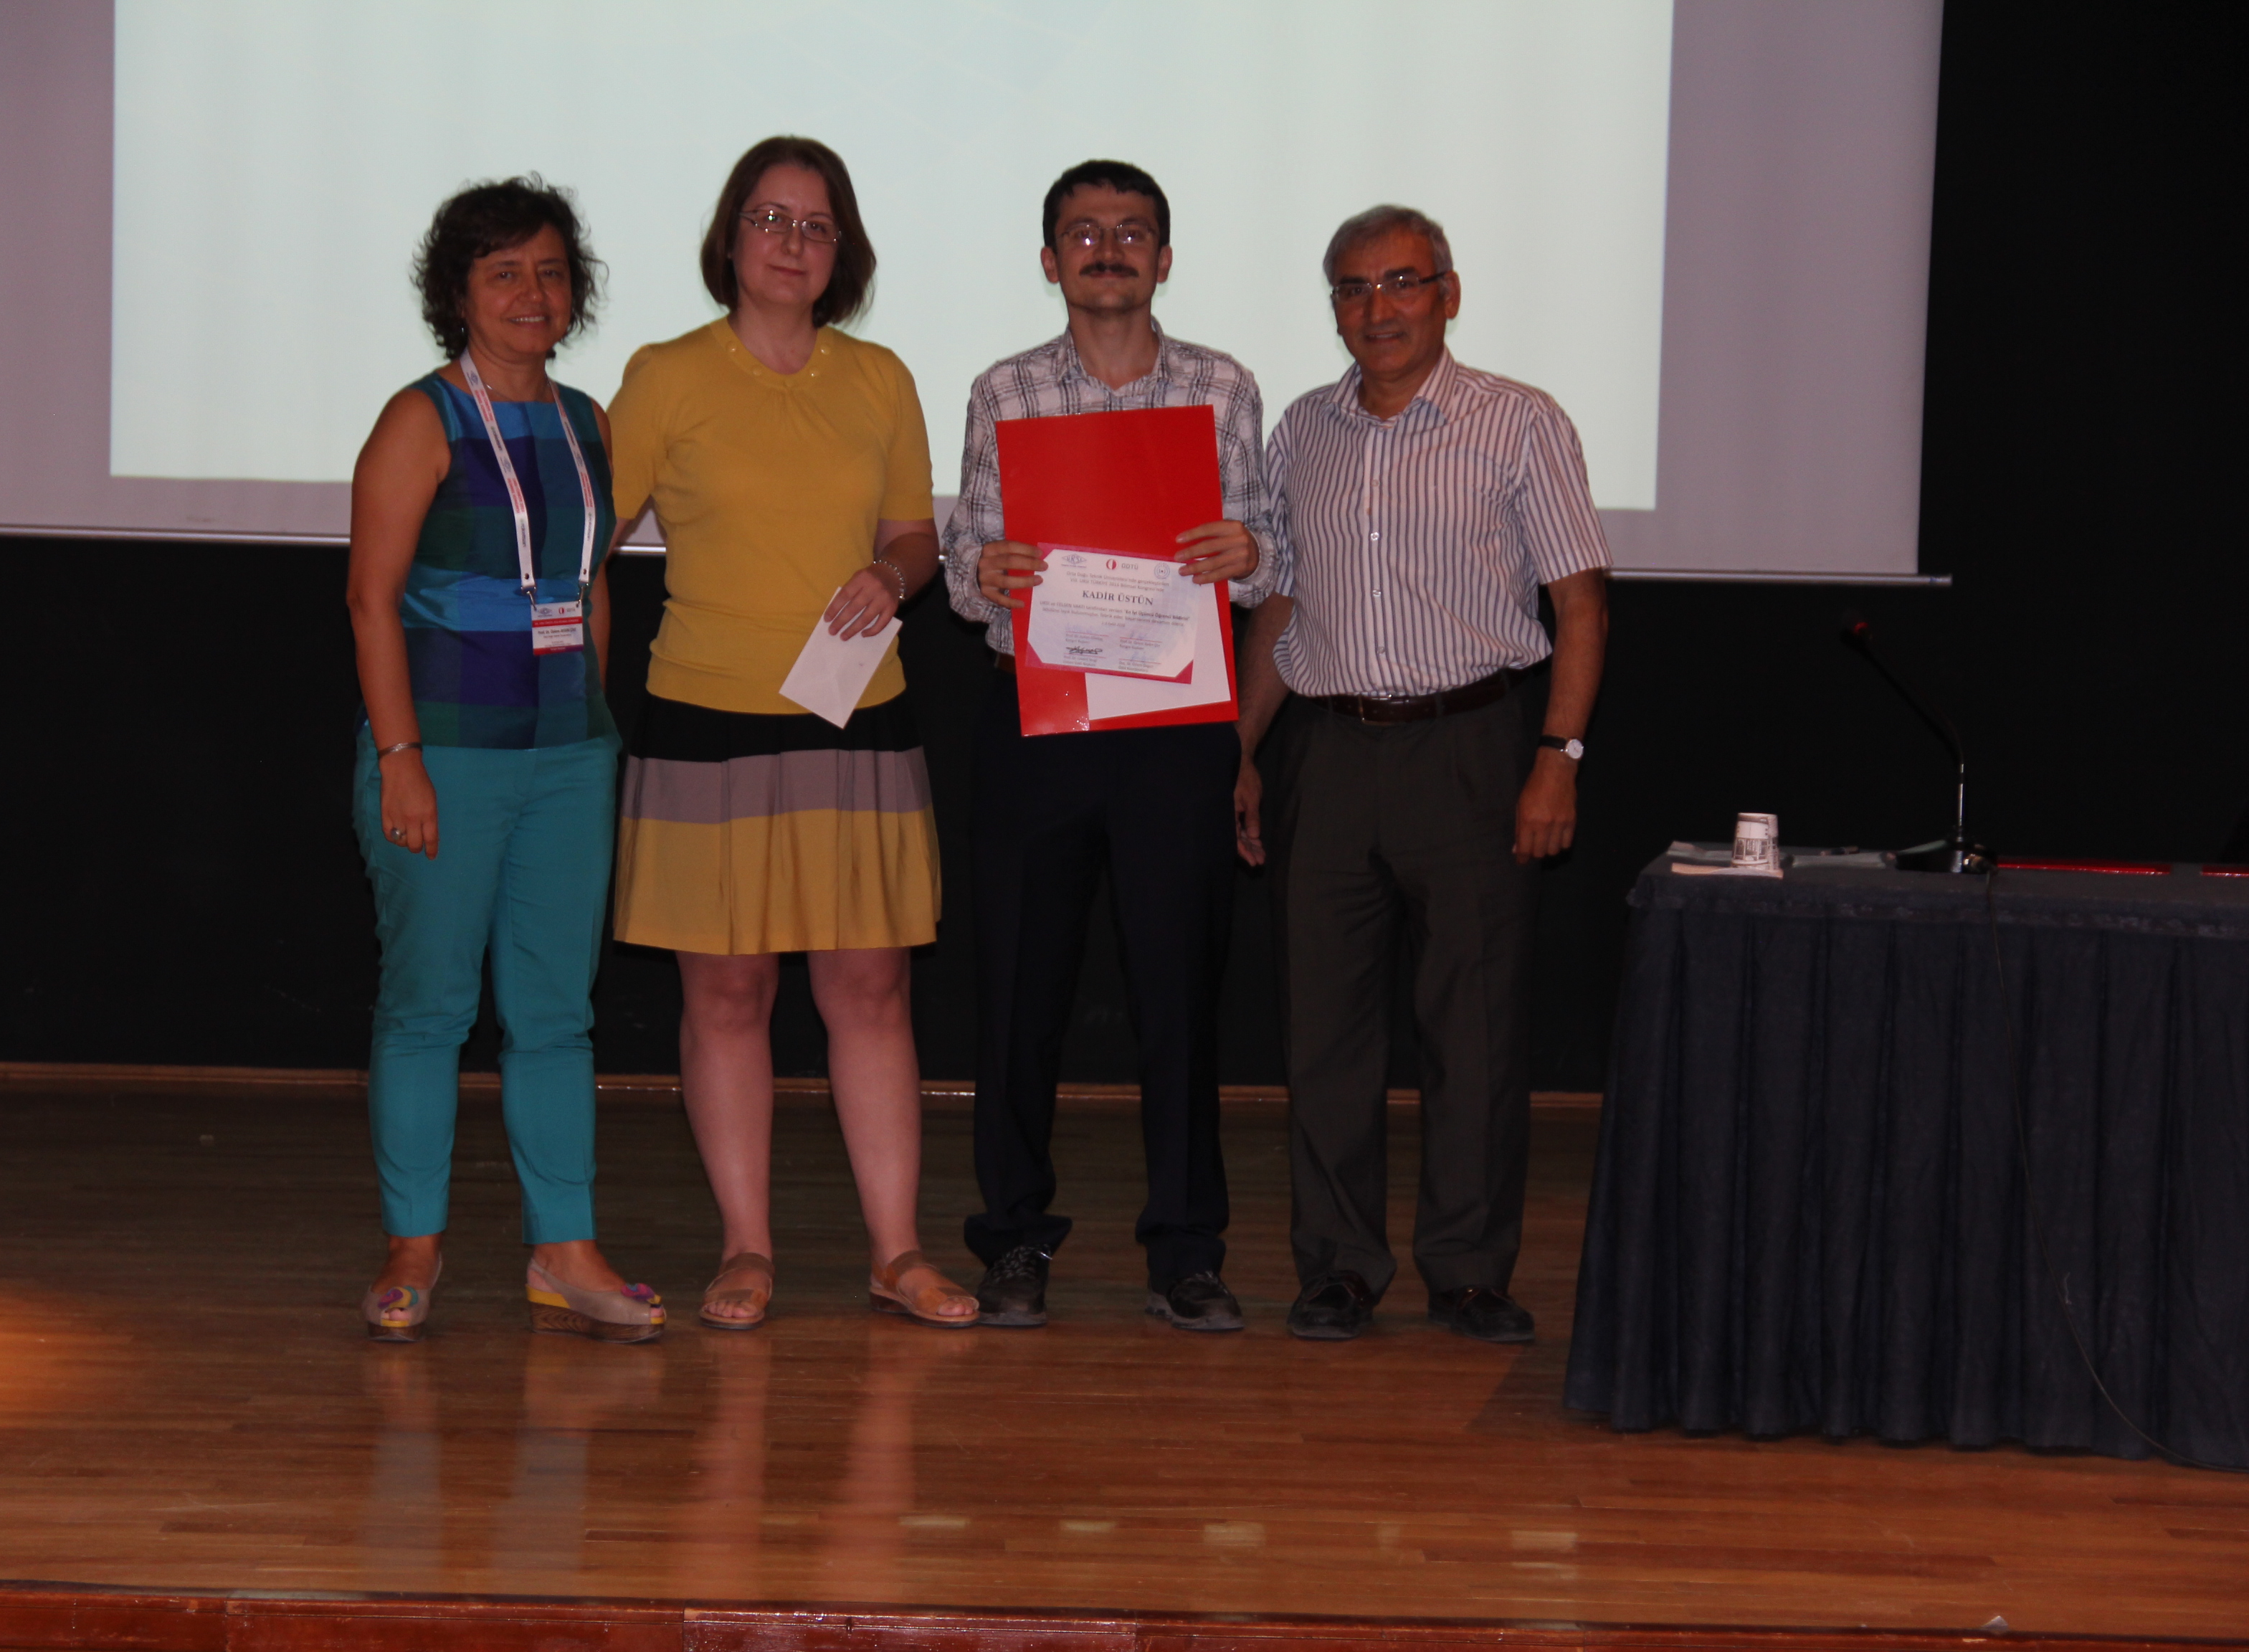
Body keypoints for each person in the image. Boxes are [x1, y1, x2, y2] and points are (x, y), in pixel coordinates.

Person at [607, 136, 974, 1331]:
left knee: (870, 988)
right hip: (703, 719)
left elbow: (915, 536)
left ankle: (896, 1252)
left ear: (842, 252)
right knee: (726, 994)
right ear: (730, 238)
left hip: (854, 714)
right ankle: (746, 1249)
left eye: (816, 225)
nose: (791, 242)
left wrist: (891, 574)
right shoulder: (665, 375)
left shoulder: (880, 379)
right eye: (770, 218)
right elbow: (584, 536)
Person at [1236, 204, 1611, 1344]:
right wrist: (1239, 749)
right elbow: (1283, 602)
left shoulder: (1520, 422)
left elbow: (1580, 604)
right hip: (1328, 751)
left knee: (1476, 1028)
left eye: (1402, 282)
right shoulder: (1302, 430)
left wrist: (1558, 758)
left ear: (1448, 294)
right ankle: (1338, 1268)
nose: (1378, 308)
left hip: (1472, 749)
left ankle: (1469, 1270)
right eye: (1353, 289)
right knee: (1324, 1032)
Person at [942, 160, 1280, 1331]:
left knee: (1179, 994)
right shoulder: (1004, 389)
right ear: (1051, 261)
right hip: (1037, 715)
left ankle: (1186, 1249)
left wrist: (1248, 555)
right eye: (1083, 233)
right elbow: (965, 562)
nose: (1108, 248)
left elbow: (1269, 549)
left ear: (1164, 258)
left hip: (1174, 724)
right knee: (1018, 992)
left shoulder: (1224, 386)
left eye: (1131, 231)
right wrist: (985, 573)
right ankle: (1012, 1238)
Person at [346, 177, 662, 1345]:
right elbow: (370, 602)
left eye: (550, 271)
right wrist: (401, 759)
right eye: (503, 273)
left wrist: (594, 726)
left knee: (555, 1016)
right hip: (443, 754)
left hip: (566, 758)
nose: (533, 293)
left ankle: (563, 1252)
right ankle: (413, 1247)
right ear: (459, 293)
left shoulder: (586, 421)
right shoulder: (419, 419)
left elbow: (587, 584)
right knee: (429, 1009)